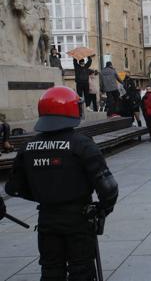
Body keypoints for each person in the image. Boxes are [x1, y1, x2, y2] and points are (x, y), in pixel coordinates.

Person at [5, 86, 118, 280]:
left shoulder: (27, 148)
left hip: (47, 218)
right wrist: (102, 210)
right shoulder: (82, 144)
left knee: (51, 269)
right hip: (78, 218)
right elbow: (108, 188)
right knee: (81, 269)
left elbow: (13, 187)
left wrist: (45, 195)